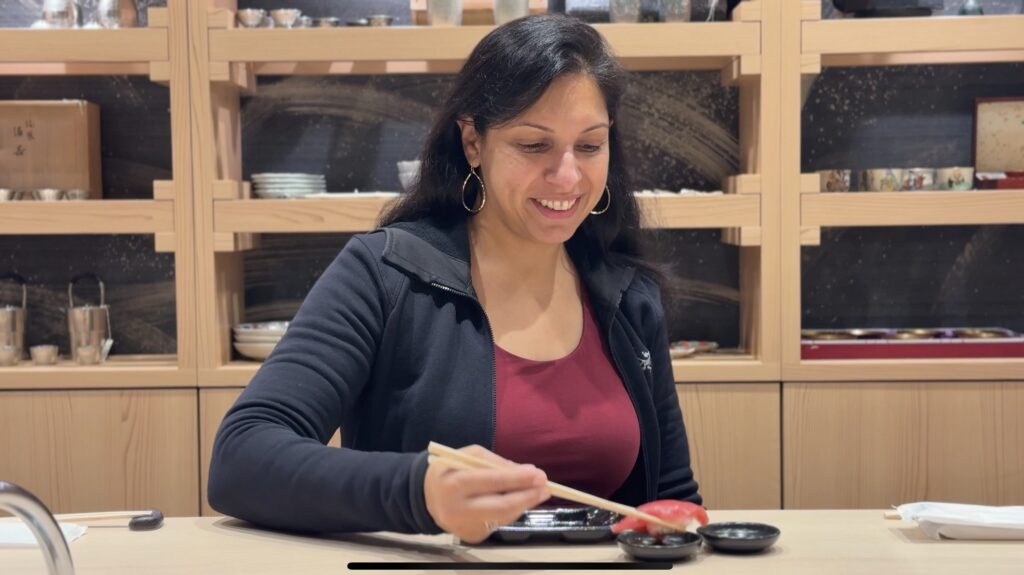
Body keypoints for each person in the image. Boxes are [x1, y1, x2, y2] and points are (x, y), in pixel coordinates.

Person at [208, 13, 701, 544]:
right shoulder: (385, 274)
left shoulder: (628, 296)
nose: (567, 176)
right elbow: (242, 456)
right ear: (473, 142)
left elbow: (671, 502)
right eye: (533, 145)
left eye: (589, 145)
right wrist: (418, 493)